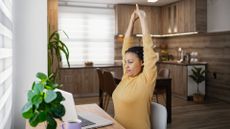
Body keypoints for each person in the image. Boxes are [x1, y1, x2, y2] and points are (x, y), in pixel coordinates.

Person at [112, 4, 158, 129]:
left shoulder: (147, 79)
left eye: (130, 62)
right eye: (125, 62)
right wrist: (132, 21)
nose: (126, 66)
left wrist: (142, 19)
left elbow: (148, 49)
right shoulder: (126, 76)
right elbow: (126, 46)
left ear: (142, 62)